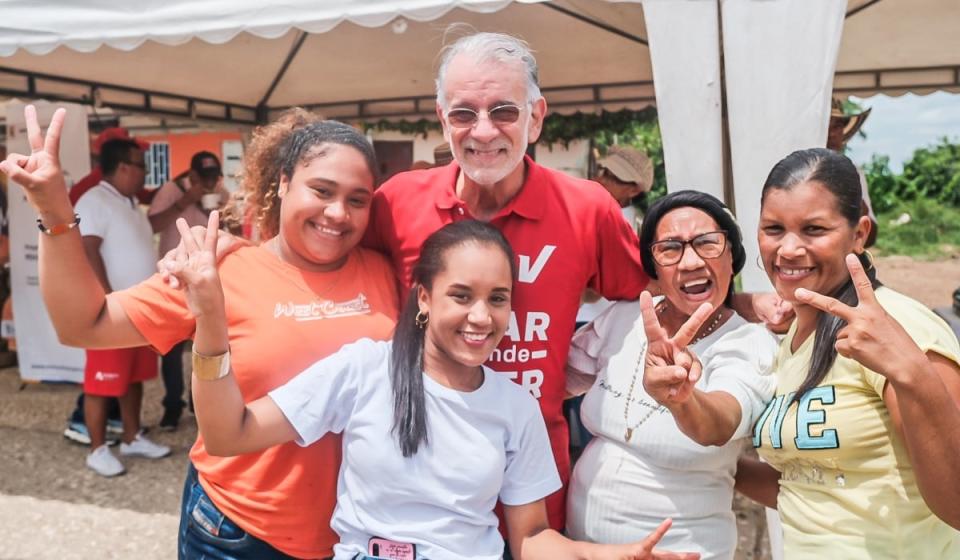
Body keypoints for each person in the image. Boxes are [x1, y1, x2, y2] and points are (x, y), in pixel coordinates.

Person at [362, 32, 787, 531]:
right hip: (416, 472)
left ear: (536, 117)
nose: (482, 131)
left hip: (533, 477)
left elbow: (652, 291)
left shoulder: (585, 209)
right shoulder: (395, 203)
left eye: (503, 111)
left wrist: (743, 301)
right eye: (462, 114)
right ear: (442, 118)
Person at [0, 105, 398, 559]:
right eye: (322, 190)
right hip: (239, 532)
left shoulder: (388, 271)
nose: (337, 212)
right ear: (284, 183)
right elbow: (82, 325)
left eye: (357, 199)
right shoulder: (222, 271)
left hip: (358, 536)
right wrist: (54, 208)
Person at [175, 217, 697, 560]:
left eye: (497, 299)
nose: (480, 317)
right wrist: (211, 319)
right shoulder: (364, 369)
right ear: (424, 298)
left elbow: (531, 537)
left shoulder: (514, 406)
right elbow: (228, 433)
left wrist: (610, 555)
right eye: (461, 295)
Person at [733, 148, 960, 558]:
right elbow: (806, 483)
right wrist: (700, 456)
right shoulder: (797, 337)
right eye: (773, 228)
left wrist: (913, 372)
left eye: (814, 229)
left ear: (859, 234)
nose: (787, 249)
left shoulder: (899, 328)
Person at [565, 191, 777, 559]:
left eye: (708, 244)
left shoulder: (750, 342)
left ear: (732, 256)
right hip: (581, 546)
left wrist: (685, 400)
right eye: (670, 248)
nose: (691, 261)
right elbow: (555, 379)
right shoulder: (626, 317)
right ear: (654, 268)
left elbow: (720, 423)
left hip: (681, 552)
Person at [71, 137, 171, 476]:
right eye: (141, 166)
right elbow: (86, 249)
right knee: (102, 382)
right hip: (110, 309)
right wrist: (107, 297)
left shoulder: (128, 203)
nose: (145, 173)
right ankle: (97, 449)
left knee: (135, 377)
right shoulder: (94, 200)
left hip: (138, 308)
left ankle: (131, 436)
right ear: (124, 167)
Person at [147, 150, 230, 430]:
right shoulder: (171, 190)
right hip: (174, 279)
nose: (209, 182)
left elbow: (228, 228)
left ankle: (199, 403)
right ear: (192, 175)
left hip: (208, 280)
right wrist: (185, 202)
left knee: (205, 343)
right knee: (170, 347)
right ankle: (172, 405)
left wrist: (219, 205)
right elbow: (153, 223)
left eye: (214, 177)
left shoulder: (220, 191)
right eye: (204, 177)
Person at [827, 98, 878, 247]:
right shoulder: (795, 171)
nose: (831, 133)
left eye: (837, 126)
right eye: (826, 124)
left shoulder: (853, 172)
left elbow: (870, 237)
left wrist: (859, 207)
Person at [593, 145, 655, 231]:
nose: (602, 180)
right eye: (605, 173)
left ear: (634, 191)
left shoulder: (627, 226)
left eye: (614, 178)